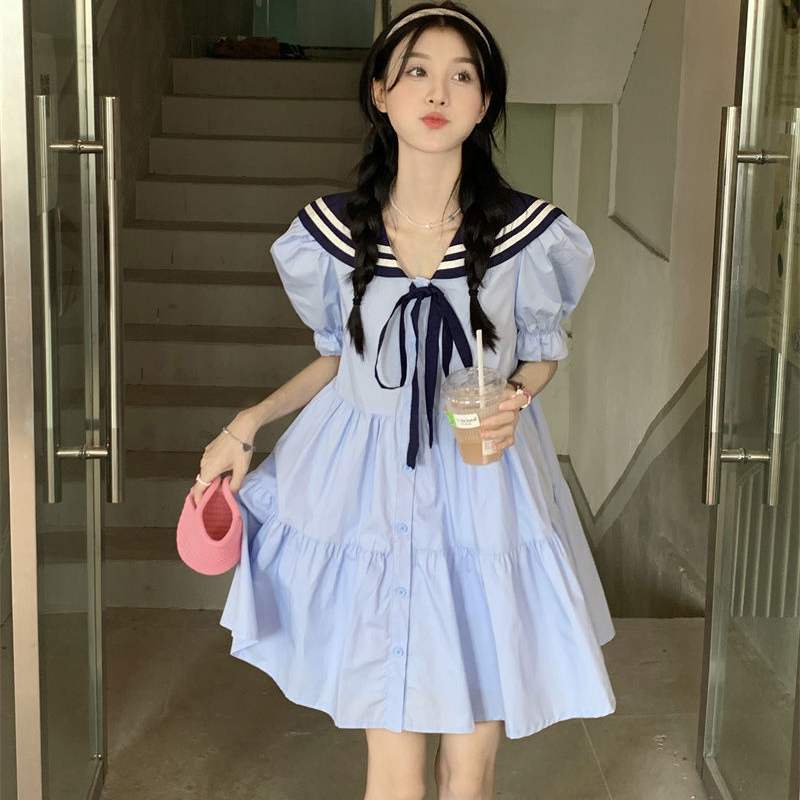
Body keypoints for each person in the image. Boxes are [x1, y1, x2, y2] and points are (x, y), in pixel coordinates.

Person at [193, 3, 616, 798]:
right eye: (417, 71)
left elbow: (542, 353)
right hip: (367, 491)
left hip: (484, 496)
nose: (438, 92)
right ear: (380, 93)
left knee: (471, 768)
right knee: (392, 770)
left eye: (462, 76)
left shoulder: (526, 234)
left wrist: (513, 396)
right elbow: (337, 360)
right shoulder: (333, 231)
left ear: (484, 103)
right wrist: (246, 425)